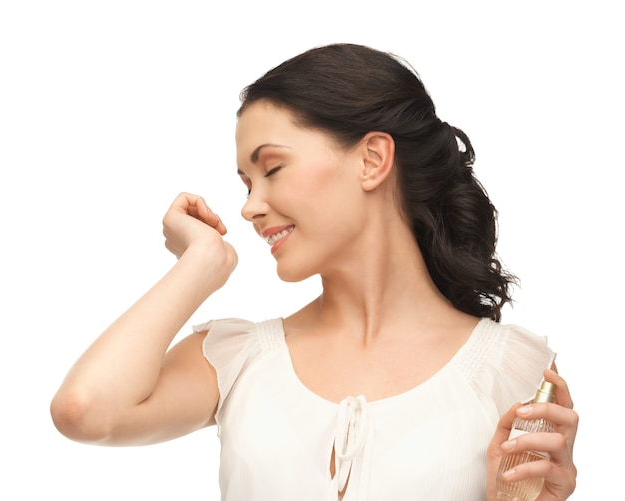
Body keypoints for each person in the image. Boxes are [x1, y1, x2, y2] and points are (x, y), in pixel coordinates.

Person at [50, 43, 578, 500]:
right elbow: (85, 411)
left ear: (372, 160)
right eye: (245, 184)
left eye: (272, 169)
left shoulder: (514, 371)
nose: (250, 207)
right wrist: (200, 265)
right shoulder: (236, 361)